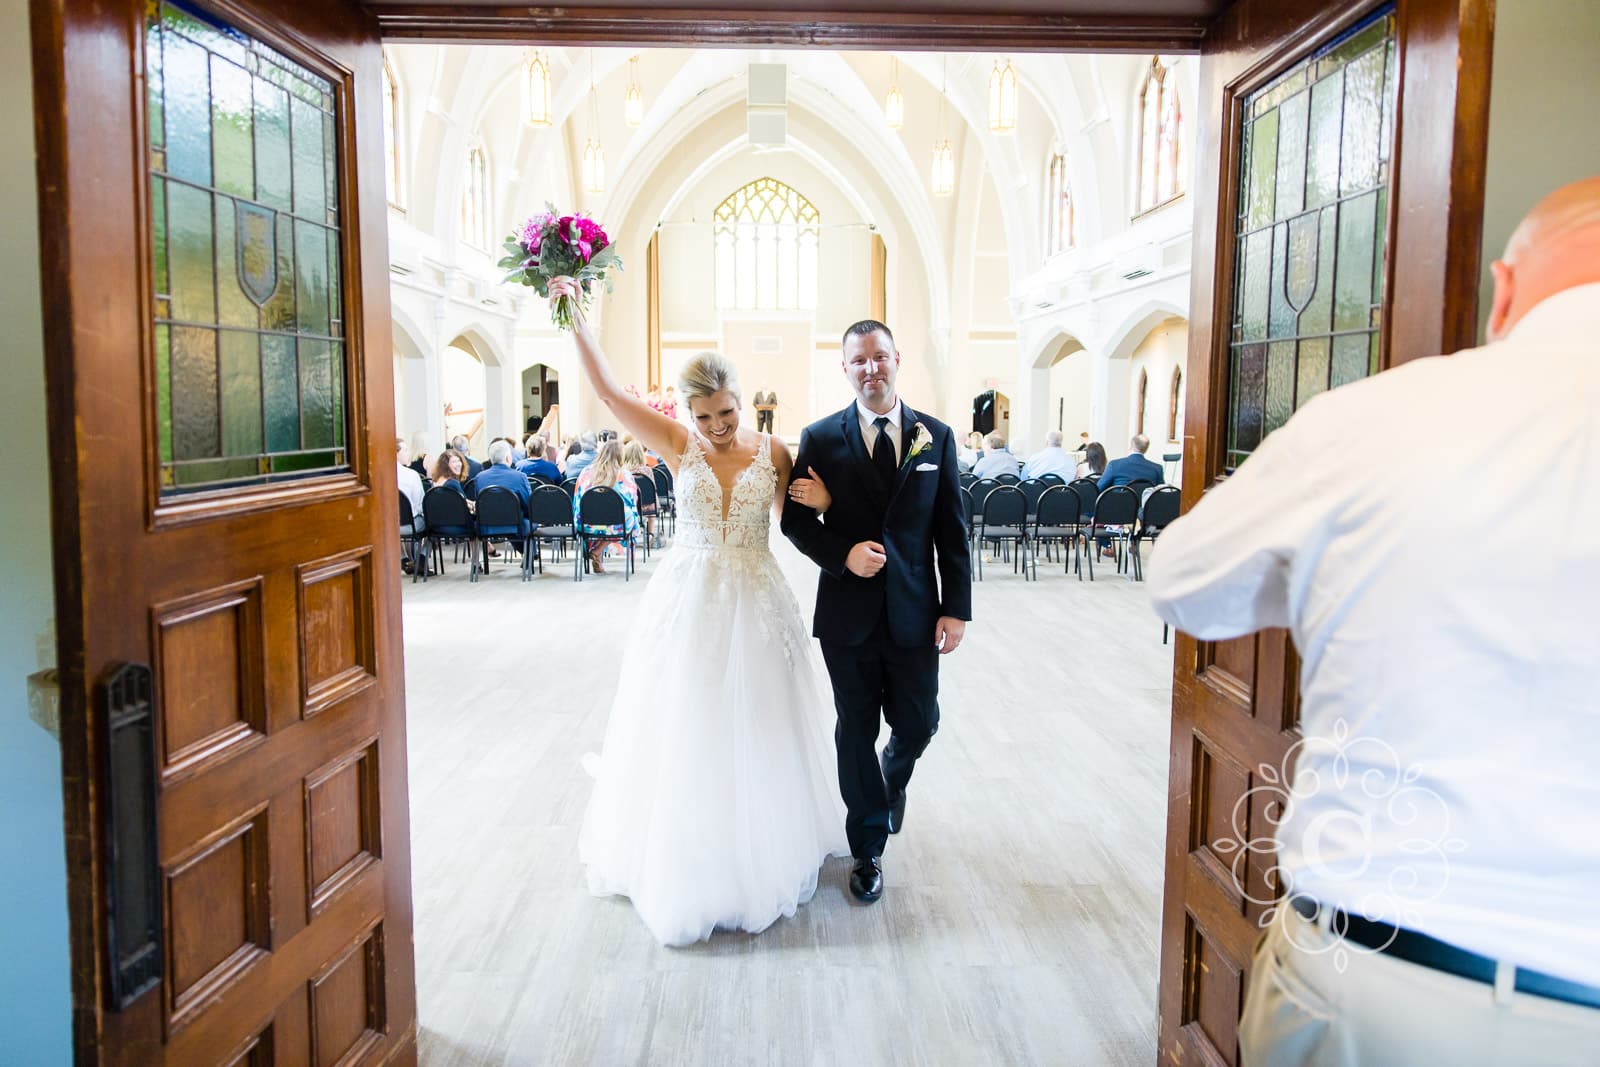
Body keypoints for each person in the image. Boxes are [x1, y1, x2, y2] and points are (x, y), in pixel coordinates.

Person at [1147, 177, 1600, 1065]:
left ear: (1502, 291)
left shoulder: (1382, 416)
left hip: (1379, 968)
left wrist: (1333, 571)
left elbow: (1184, 578)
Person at [549, 275, 847, 946]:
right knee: (689, 715)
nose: (716, 427)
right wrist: (575, 316)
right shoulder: (677, 444)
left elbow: (799, 525)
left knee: (759, 718)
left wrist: (824, 503)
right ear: (688, 412)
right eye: (705, 415)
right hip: (689, 596)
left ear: (741, 401)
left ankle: (760, 840)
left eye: (726, 412)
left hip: (757, 595)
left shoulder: (772, 451)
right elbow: (609, 393)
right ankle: (689, 844)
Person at [783, 318, 972, 904]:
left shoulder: (934, 437)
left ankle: (892, 779)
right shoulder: (819, 438)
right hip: (848, 616)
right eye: (858, 360)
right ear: (845, 369)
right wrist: (842, 554)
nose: (871, 368)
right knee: (855, 728)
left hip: (917, 611)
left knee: (919, 723)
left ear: (897, 359)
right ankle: (866, 847)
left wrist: (956, 608)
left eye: (879, 357)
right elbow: (793, 521)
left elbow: (951, 529)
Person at [572, 439, 638, 574]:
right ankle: (598, 551)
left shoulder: (585, 472)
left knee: (601, 518)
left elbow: (577, 498)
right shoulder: (624, 475)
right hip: (617, 525)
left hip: (585, 524)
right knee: (627, 518)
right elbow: (632, 500)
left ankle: (597, 554)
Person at [621, 439, 658, 541]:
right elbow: (653, 488)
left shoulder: (623, 472)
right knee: (653, 501)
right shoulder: (648, 470)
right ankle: (650, 534)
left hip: (629, 506)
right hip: (647, 507)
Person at [1097, 433, 1163, 490]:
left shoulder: (1114, 465)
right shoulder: (1157, 469)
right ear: (1146, 449)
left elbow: (1099, 488)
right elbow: (1161, 492)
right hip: (1146, 504)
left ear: (1131, 445)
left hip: (1119, 503)